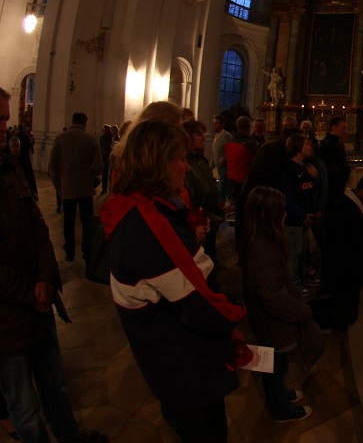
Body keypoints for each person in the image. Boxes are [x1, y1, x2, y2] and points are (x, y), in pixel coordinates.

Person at [101, 120, 246, 442]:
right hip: (184, 363)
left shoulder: (138, 207)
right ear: (158, 163)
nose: (186, 167)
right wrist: (236, 315)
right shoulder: (149, 224)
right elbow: (197, 298)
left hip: (167, 356)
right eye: (179, 159)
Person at [0, 87, 107, 443]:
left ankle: (69, 435)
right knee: (25, 408)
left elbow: (37, 222)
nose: (5, 125)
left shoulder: (9, 164)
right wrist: (31, 292)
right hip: (8, 317)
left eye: (5, 117)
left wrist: (48, 276)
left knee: (55, 387)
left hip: (39, 302)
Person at [241, 187, 321, 423]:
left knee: (277, 366)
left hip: (270, 322)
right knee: (275, 367)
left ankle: (280, 396)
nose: (285, 214)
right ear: (268, 214)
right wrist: (302, 310)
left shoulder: (263, 239)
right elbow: (272, 295)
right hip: (272, 323)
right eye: (280, 210)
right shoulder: (263, 249)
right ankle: (281, 410)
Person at [323, 169, 363, 329]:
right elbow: (349, 248)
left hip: (348, 272)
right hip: (344, 273)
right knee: (344, 314)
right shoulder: (348, 209)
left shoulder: (355, 204)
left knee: (346, 311)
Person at [49, 112, 103, 262]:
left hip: (67, 187)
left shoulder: (60, 139)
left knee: (68, 222)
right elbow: (99, 166)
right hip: (85, 188)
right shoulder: (91, 140)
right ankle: (87, 251)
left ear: (72, 121)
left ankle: (70, 251)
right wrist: (89, 173)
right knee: (87, 222)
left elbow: (52, 166)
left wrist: (58, 186)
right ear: (85, 123)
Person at [279, 134, 318, 287]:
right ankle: (293, 284)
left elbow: (308, 189)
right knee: (293, 253)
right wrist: (301, 215)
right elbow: (287, 197)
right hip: (294, 220)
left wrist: (314, 178)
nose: (311, 146)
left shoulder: (305, 167)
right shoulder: (289, 169)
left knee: (303, 251)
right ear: (297, 147)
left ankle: (302, 277)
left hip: (305, 218)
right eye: (307, 144)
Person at [183, 120, 223, 266]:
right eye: (198, 134)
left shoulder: (202, 160)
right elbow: (191, 196)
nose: (203, 137)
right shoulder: (186, 164)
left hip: (210, 217)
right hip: (200, 221)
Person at [318, 116, 350, 213]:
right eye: (343, 128)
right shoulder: (327, 144)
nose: (345, 131)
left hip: (338, 184)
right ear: (334, 128)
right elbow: (328, 165)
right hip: (332, 185)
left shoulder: (337, 143)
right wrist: (342, 175)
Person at [211, 115, 232, 208]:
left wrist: (224, 158)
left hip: (224, 168)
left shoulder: (226, 136)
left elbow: (231, 151)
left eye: (217, 123)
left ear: (222, 124)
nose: (215, 125)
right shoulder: (216, 137)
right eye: (214, 123)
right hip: (217, 167)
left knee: (222, 190)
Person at [98, 125, 113, 194]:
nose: (103, 130)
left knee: (109, 174)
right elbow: (100, 147)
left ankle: (110, 188)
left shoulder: (111, 138)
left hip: (109, 157)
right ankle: (104, 189)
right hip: (103, 157)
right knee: (104, 173)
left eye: (104, 129)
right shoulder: (101, 138)